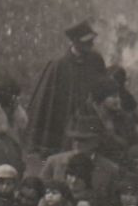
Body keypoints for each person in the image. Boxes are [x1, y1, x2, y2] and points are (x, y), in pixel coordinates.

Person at [26, 20, 109, 153]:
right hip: (65, 120)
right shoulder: (58, 65)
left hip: (90, 117)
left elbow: (103, 87)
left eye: (92, 41)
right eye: (86, 42)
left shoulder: (96, 60)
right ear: (75, 42)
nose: (91, 44)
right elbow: (47, 101)